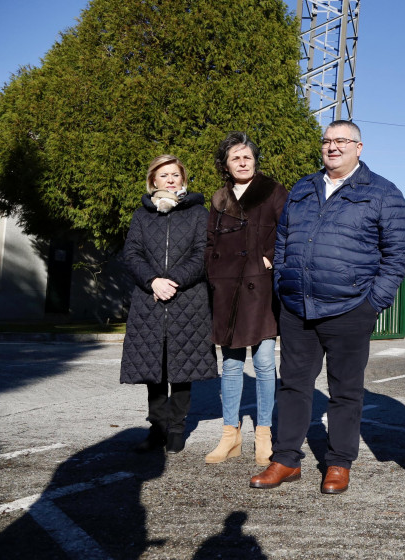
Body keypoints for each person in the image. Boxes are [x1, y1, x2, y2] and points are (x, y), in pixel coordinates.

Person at [249, 120, 405, 494]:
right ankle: (286, 459)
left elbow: (399, 252)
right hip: (297, 307)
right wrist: (283, 283)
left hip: (350, 308)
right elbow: (284, 238)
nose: (332, 147)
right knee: (292, 385)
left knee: (346, 390)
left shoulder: (383, 192)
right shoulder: (303, 188)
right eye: (327, 140)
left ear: (359, 147)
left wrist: (373, 302)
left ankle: (339, 463)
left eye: (341, 140)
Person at [121, 154, 217, 454]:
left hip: (188, 301)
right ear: (153, 181)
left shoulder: (199, 213)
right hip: (149, 301)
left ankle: (177, 427)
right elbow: (132, 254)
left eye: (175, 174)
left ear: (183, 179)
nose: (170, 179)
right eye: (164, 175)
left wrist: (171, 281)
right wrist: (152, 281)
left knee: (183, 369)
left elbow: (203, 254)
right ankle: (157, 428)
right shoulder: (142, 215)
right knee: (154, 370)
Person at [204, 132, 289, 466]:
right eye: (235, 157)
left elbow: (289, 231)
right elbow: (210, 241)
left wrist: (269, 258)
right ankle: (230, 435)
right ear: (226, 164)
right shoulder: (219, 198)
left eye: (247, 157)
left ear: (255, 161)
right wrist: (213, 272)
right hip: (225, 288)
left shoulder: (273, 191)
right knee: (231, 363)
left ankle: (264, 435)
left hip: (260, 287)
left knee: (265, 363)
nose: (242, 162)